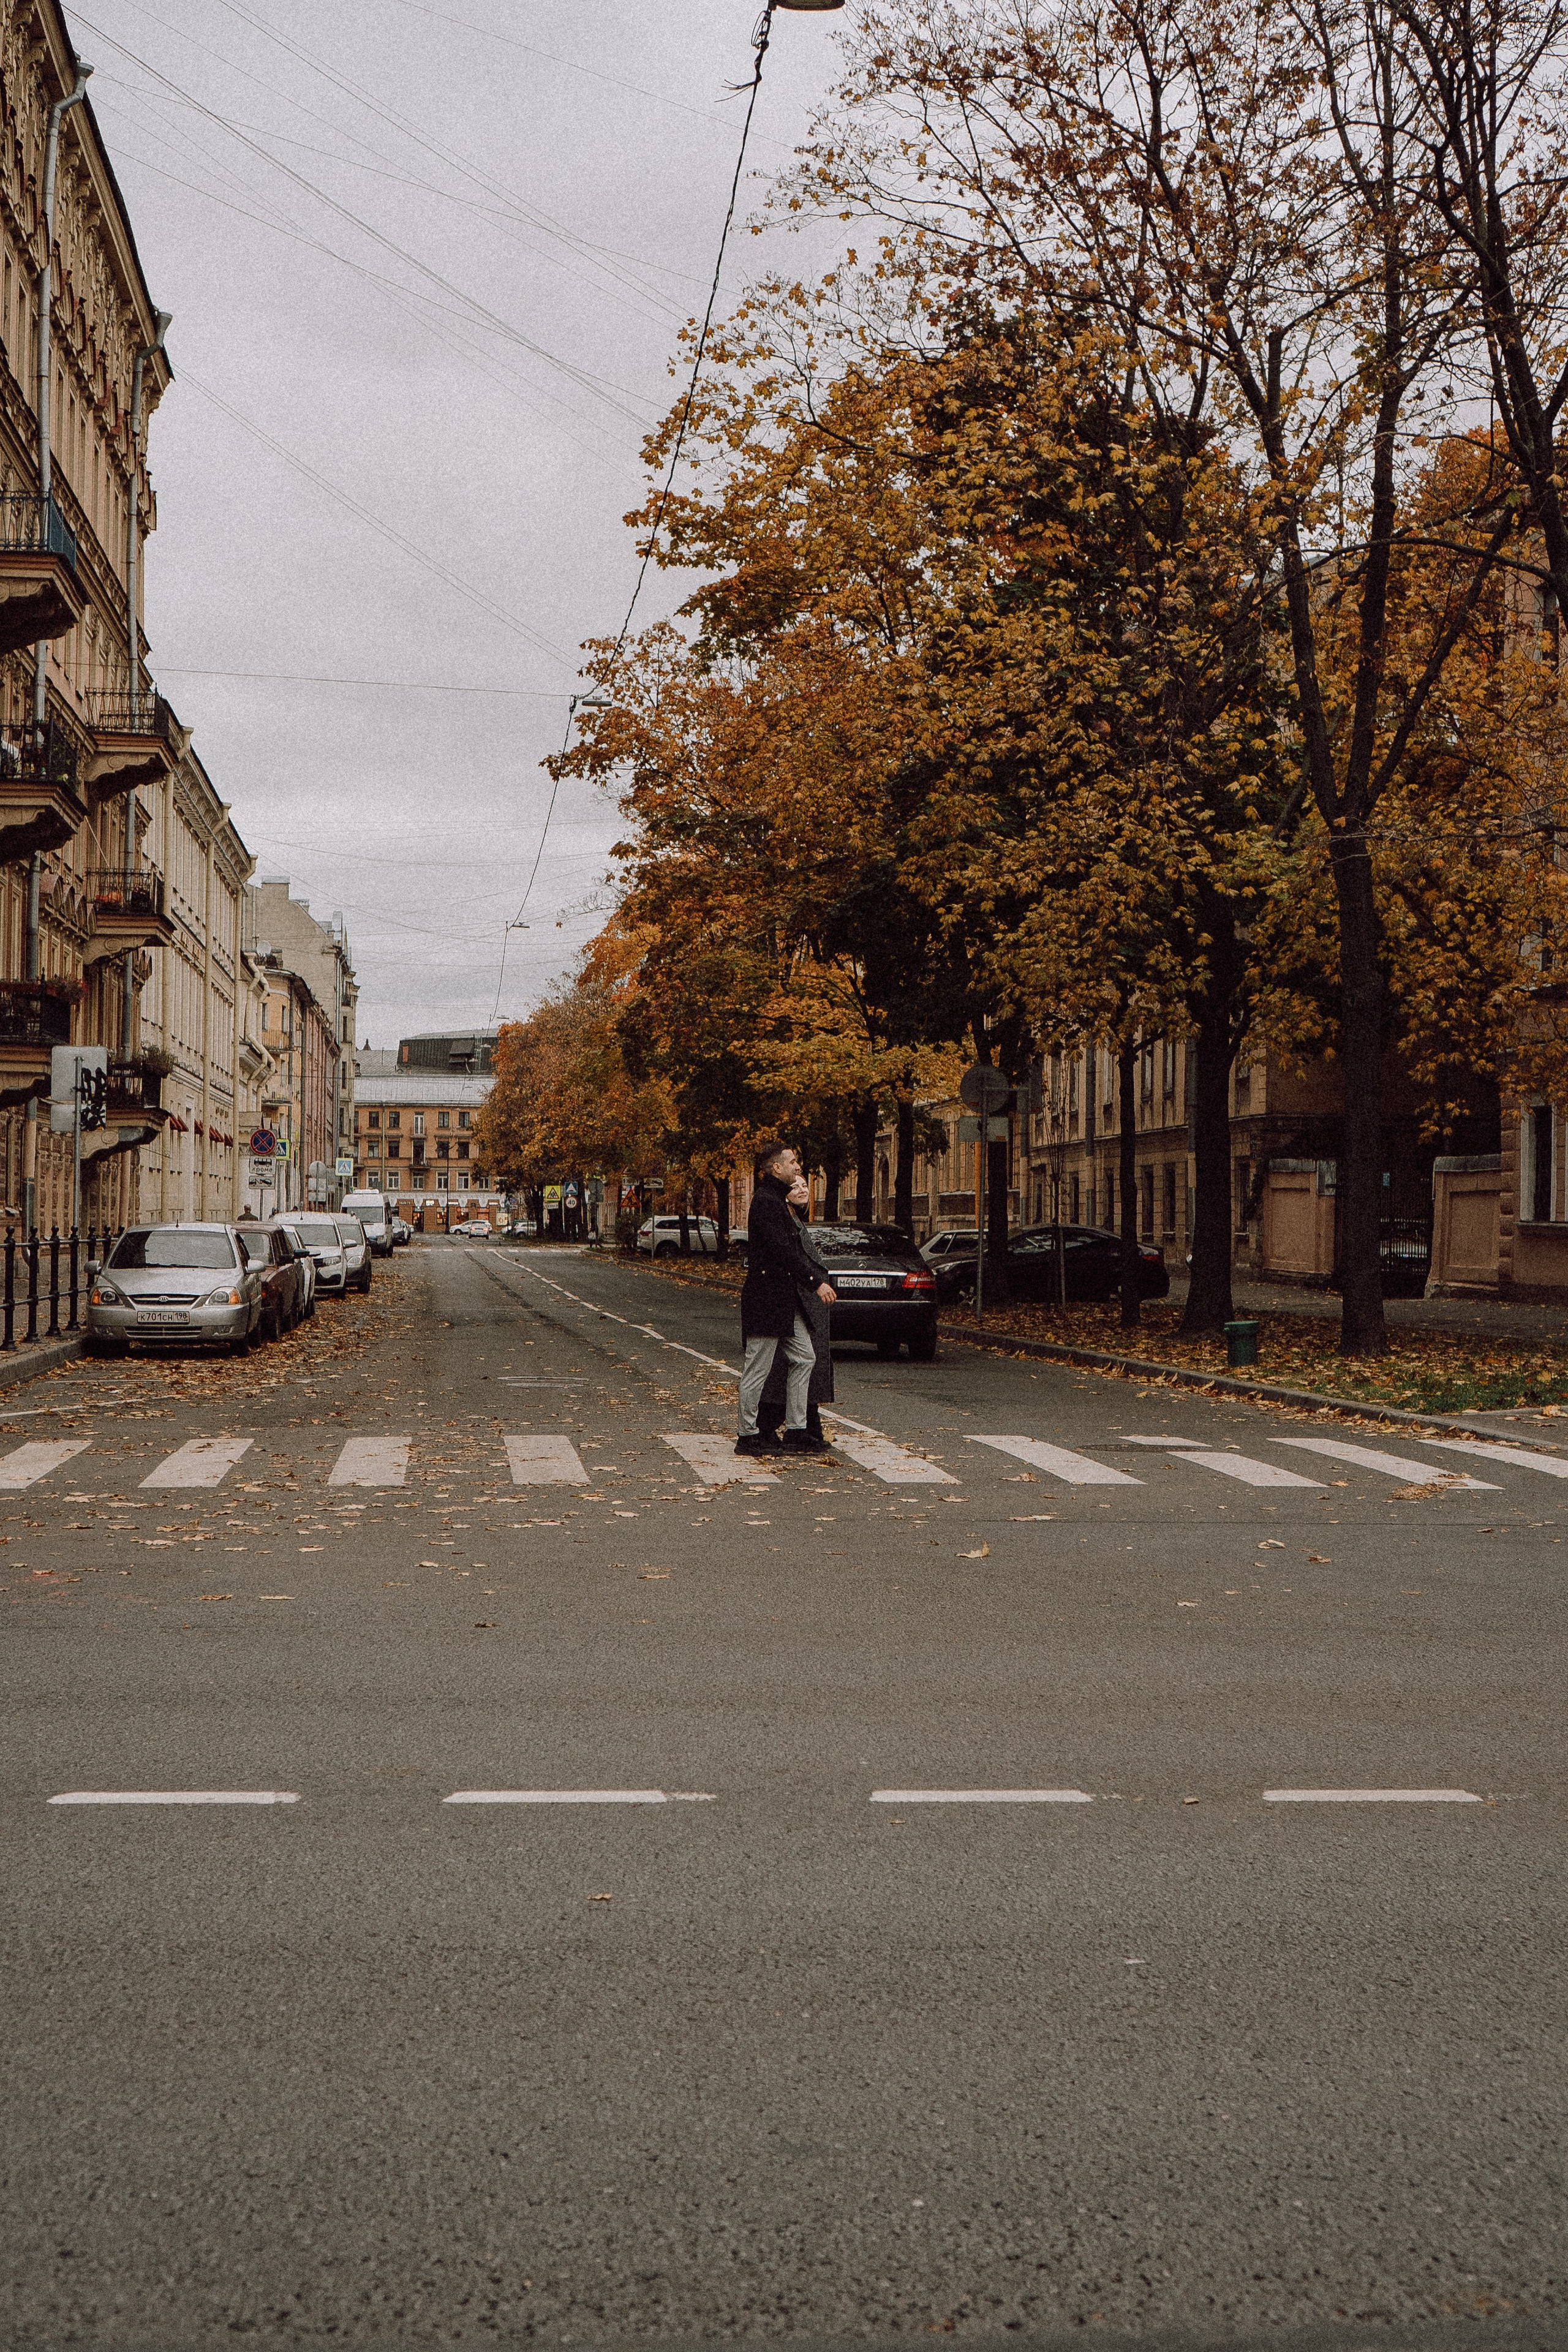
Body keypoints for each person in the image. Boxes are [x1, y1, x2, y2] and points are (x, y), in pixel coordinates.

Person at [736, 1141, 836, 1456]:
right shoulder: (766, 1202)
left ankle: (797, 1429)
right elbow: (785, 1252)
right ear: (777, 1168)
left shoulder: (776, 1200)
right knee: (758, 1369)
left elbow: (791, 1248)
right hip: (767, 1300)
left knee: (805, 1358)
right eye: (792, 1162)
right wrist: (816, 1282)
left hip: (784, 1299)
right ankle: (747, 1435)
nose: (798, 1167)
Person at [755, 1172, 833, 1446]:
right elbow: (793, 1260)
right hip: (795, 1303)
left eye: (805, 1185)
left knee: (804, 1364)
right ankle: (767, 1429)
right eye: (795, 1185)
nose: (802, 1189)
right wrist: (817, 1284)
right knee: (781, 1368)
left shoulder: (797, 1220)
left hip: (805, 1305)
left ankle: (805, 1428)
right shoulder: (786, 1220)